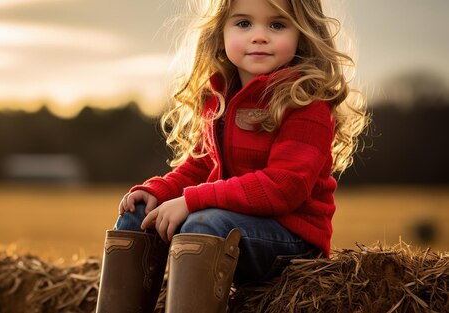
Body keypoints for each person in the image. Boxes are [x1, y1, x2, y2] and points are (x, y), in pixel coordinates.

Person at [96, 0, 369, 312]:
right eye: (243, 24)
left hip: (291, 239)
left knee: (203, 223)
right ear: (220, 33)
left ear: (303, 35)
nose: (259, 36)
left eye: (277, 25)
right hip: (231, 225)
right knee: (139, 214)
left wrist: (191, 201)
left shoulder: (306, 102)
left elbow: (284, 187)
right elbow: (201, 167)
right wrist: (158, 190)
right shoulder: (219, 98)